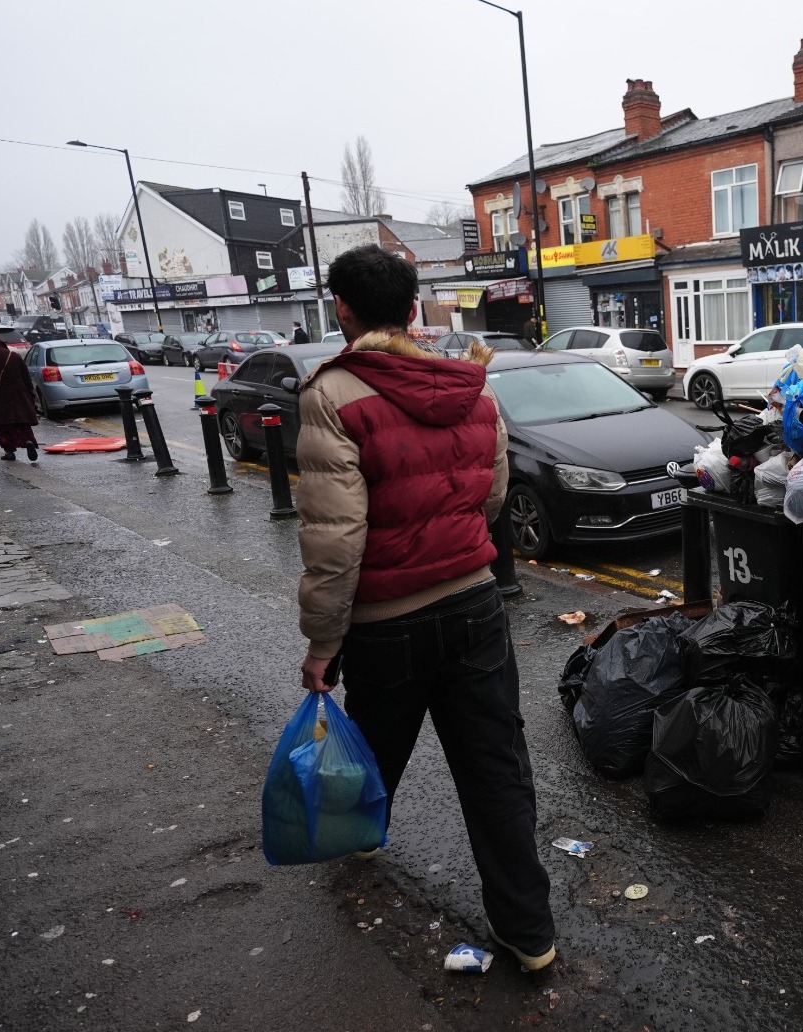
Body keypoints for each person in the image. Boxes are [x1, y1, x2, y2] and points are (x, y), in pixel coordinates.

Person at [294, 244, 554, 970]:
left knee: (377, 740)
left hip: (387, 623)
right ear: (413, 310)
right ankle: (530, 934)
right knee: (495, 767)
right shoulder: (473, 388)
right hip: (476, 605)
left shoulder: (331, 395)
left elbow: (335, 540)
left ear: (343, 310)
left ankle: (361, 834)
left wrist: (322, 645)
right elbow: (491, 500)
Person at [0, 330, 40, 463]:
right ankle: (28, 441)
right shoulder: (13, 355)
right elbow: (26, 377)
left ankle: (9, 451)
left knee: (3, 425)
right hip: (19, 395)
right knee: (21, 423)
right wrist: (31, 395)